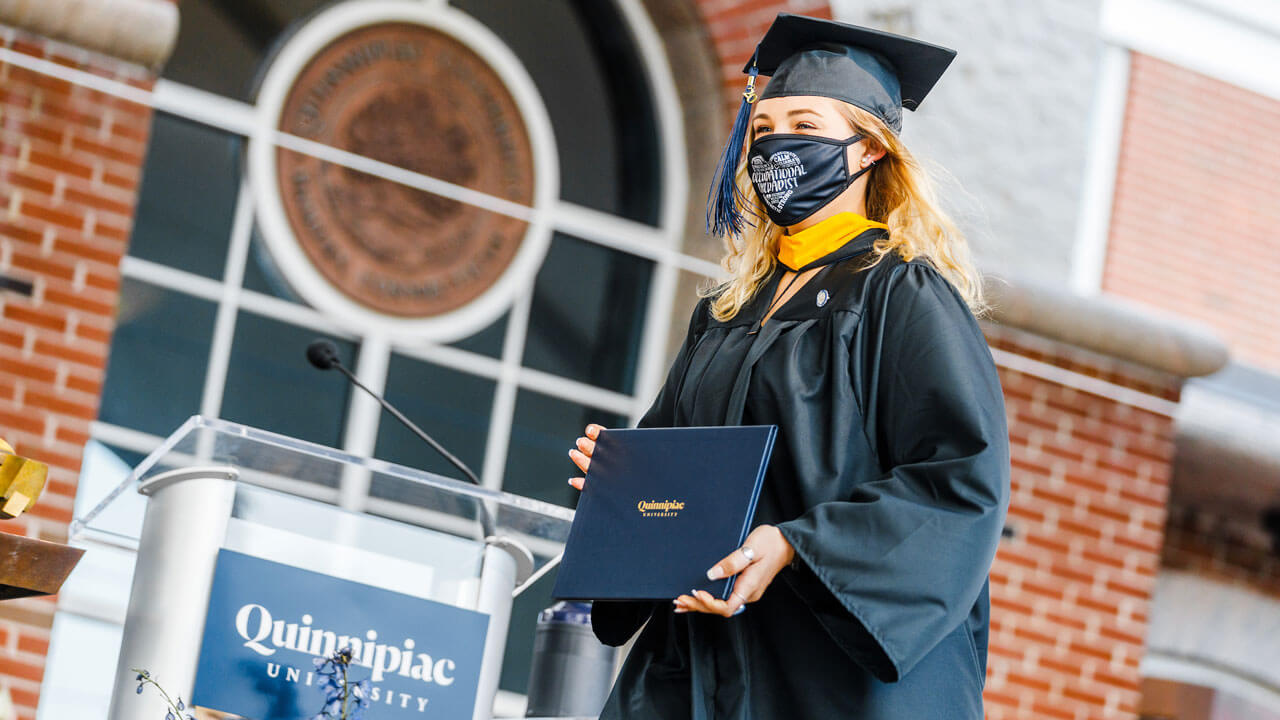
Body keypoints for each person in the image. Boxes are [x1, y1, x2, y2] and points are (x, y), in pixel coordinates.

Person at [565, 13, 1010, 719]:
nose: (777, 147)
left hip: (830, 677)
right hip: (706, 660)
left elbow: (959, 478)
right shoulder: (727, 314)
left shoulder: (900, 295)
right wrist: (623, 488)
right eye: (764, 132)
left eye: (804, 124)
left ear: (868, 150)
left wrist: (796, 546)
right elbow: (684, 484)